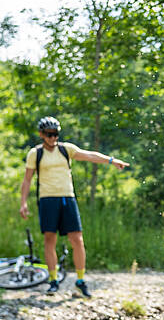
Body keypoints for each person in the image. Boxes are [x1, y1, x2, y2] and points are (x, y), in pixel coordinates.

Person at [20, 116, 129, 296]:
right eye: (49, 134)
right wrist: (23, 203)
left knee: (77, 239)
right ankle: (53, 280)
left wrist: (111, 160)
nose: (53, 138)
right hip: (47, 199)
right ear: (41, 134)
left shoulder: (66, 149)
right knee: (49, 239)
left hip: (67, 198)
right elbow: (27, 180)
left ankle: (80, 280)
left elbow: (89, 155)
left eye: (55, 134)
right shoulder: (35, 153)